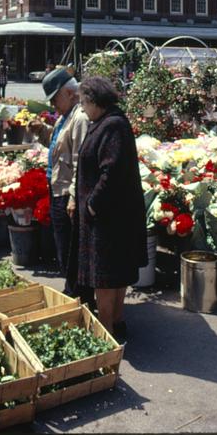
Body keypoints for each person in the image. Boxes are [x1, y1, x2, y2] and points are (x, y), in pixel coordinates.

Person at [67, 75, 147, 341]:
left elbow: (110, 172)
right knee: (116, 273)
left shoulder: (111, 126)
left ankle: (107, 331)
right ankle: (117, 321)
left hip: (107, 217)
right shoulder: (109, 121)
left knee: (105, 276)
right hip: (115, 214)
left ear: (93, 101)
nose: (81, 108)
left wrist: (91, 205)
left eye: (82, 102)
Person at [28, 68, 93, 309]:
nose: (54, 104)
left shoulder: (80, 118)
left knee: (70, 251)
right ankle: (74, 295)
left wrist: (74, 197)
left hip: (66, 194)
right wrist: (42, 131)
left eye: (55, 98)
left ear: (69, 92)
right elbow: (59, 147)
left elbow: (80, 162)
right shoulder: (67, 115)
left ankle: (78, 299)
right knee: (64, 248)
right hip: (57, 189)